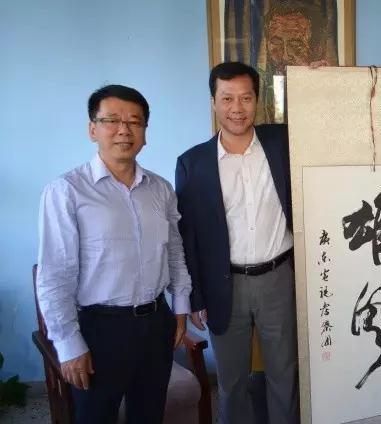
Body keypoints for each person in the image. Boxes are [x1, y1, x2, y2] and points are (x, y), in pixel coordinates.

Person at [36, 85, 192, 423]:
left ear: (145, 133)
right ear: (93, 129)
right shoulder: (67, 191)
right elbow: (56, 275)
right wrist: (69, 344)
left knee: (149, 415)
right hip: (100, 330)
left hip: (156, 324)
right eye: (111, 121)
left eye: (135, 122)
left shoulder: (161, 189)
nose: (124, 130)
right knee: (96, 416)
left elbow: (174, 251)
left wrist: (180, 308)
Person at [175, 62, 298, 424]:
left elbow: (330, 120)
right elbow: (188, 237)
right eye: (227, 98)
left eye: (246, 98)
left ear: (257, 100)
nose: (237, 108)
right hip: (223, 284)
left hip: (279, 278)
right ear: (213, 102)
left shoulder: (283, 142)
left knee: (284, 374)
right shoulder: (193, 163)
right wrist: (195, 296)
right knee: (231, 382)